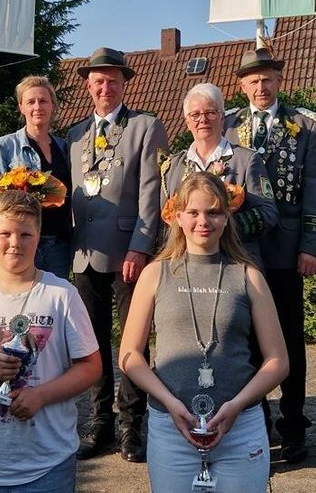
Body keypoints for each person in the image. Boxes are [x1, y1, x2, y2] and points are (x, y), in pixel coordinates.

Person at [119, 172, 289, 493]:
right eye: (194, 212)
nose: (203, 222)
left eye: (213, 212)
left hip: (240, 427)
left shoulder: (249, 275)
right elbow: (129, 356)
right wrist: (170, 403)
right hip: (171, 427)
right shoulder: (155, 273)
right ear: (177, 216)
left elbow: (278, 361)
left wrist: (237, 404)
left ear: (227, 217)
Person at [0, 189, 101, 493]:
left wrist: (41, 396)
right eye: (5, 233)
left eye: (25, 234)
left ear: (39, 236)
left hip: (48, 465)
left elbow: (90, 367)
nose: (14, 243)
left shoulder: (62, 295)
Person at [66, 47, 169, 463]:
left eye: (112, 80)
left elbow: (152, 192)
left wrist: (141, 246)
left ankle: (132, 425)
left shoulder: (146, 126)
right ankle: (100, 424)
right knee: (90, 345)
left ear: (124, 83)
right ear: (89, 86)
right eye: (97, 80)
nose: (104, 87)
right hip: (83, 256)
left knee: (133, 342)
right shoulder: (73, 134)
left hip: (129, 253)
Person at [223, 48, 316, 463]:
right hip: (241, 250)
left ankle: (294, 423)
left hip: (284, 250)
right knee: (245, 340)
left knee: (288, 340)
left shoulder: (304, 125)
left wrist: (311, 245)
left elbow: (315, 187)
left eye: (267, 79)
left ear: (279, 81)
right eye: (252, 81)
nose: (260, 87)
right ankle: (256, 422)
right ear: (242, 86)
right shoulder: (228, 125)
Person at [161, 82, 278, 269]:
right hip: (185, 266)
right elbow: (166, 218)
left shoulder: (247, 160)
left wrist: (222, 227)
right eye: (195, 114)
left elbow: (268, 213)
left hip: (236, 262)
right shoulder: (173, 166)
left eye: (210, 112)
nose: (203, 120)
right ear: (187, 121)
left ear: (222, 117)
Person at [0, 76, 72, 280]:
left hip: (58, 243)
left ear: (53, 106)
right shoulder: (4, 147)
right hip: (21, 243)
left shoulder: (65, 148)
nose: (37, 107)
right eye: (30, 102)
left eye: (43, 101)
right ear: (21, 108)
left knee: (52, 301)